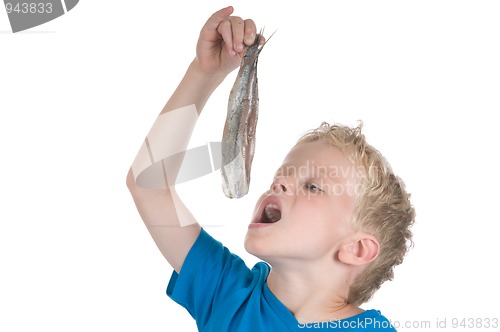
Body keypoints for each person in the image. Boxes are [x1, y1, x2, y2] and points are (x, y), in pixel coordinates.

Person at [126, 6, 415, 331]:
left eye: (312, 186)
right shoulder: (226, 291)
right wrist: (204, 73)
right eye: (280, 177)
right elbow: (147, 182)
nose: (278, 185)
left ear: (356, 249)